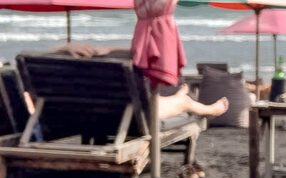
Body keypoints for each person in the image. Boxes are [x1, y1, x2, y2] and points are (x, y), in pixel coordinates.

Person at [48, 42, 229, 120]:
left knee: (174, 99)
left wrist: (64, 48)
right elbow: (141, 55)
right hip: (123, 116)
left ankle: (182, 98)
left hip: (78, 115)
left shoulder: (60, 75)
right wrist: (105, 50)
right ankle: (209, 110)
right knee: (183, 102)